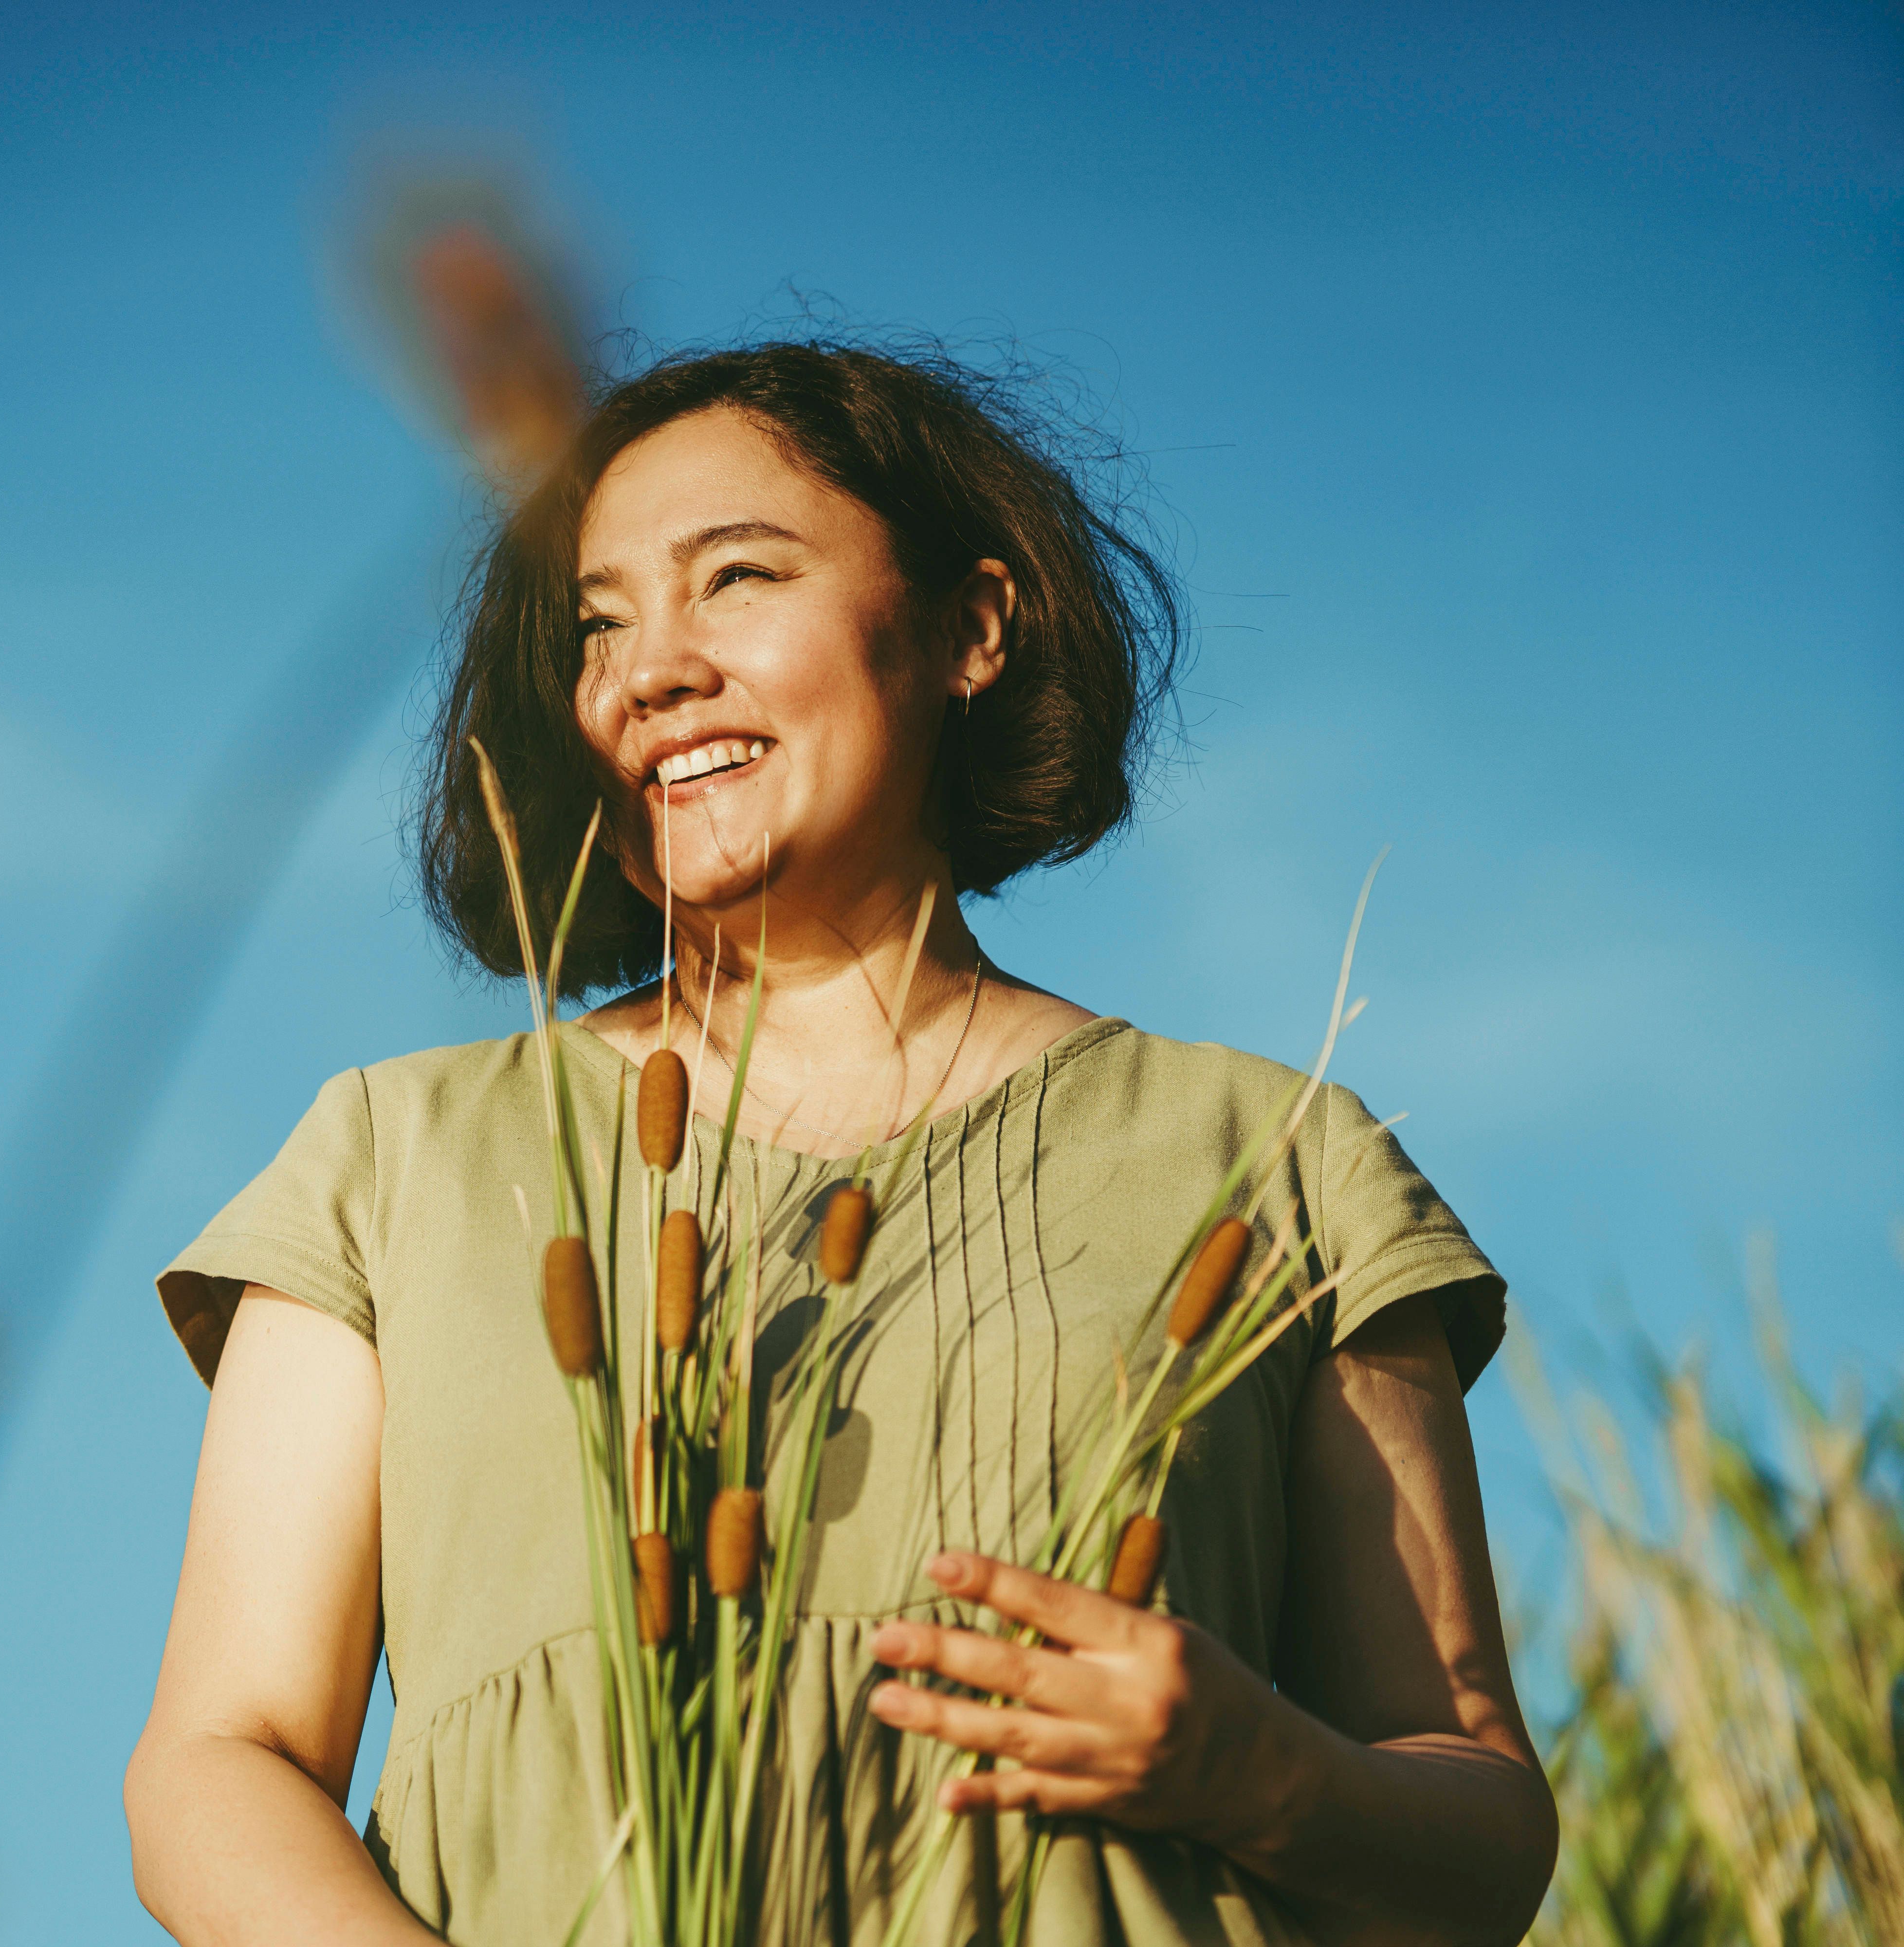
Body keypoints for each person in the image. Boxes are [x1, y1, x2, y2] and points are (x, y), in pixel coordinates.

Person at [124, 342, 1557, 1946]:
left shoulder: (1270, 1159)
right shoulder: (398, 1156)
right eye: (599, 623)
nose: (646, 670)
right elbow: (218, 1760)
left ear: (972, 628)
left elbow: (1483, 1828)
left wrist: (1249, 1767)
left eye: (735, 578)